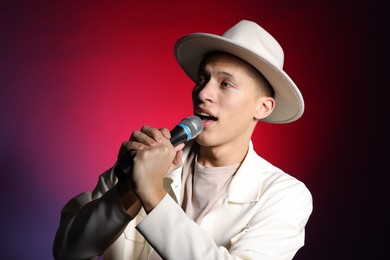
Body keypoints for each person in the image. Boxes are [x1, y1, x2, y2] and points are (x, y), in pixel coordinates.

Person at [53, 19, 313, 260]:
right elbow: (68, 250)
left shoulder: (285, 196)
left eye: (225, 84)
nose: (203, 93)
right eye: (202, 79)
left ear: (263, 107)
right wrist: (126, 191)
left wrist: (152, 193)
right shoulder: (149, 156)